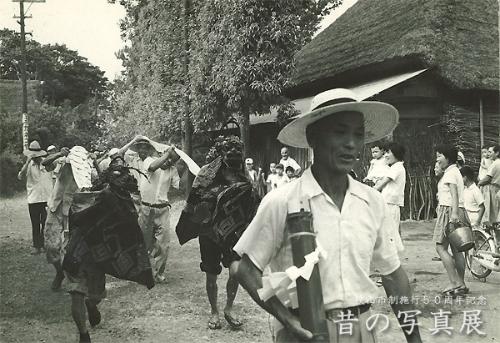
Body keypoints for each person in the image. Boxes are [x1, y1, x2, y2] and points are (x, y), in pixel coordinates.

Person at [232, 88, 421, 343]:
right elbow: (246, 270)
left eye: (358, 134)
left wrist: (415, 339)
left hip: (360, 329)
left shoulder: (372, 201)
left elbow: (393, 275)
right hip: (304, 332)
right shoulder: (282, 201)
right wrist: (287, 320)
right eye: (339, 132)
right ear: (313, 137)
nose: (351, 144)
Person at [63, 157, 154, 343]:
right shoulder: (91, 196)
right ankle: (83, 334)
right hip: (79, 250)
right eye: (118, 174)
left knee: (95, 295)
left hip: (98, 256)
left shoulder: (125, 200)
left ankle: (91, 304)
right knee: (76, 292)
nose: (122, 178)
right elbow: (76, 217)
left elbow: (131, 225)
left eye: (124, 174)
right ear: (108, 176)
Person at [176, 135, 260, 331]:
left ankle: (229, 309)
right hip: (209, 233)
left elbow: (253, 203)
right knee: (211, 274)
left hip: (236, 233)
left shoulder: (245, 176)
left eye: (238, 153)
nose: (234, 156)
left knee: (236, 272)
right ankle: (214, 311)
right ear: (222, 154)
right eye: (230, 152)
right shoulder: (206, 174)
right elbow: (194, 201)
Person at [42, 146, 92, 290]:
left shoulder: (86, 169)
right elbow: (45, 163)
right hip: (55, 207)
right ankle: (59, 272)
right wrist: (59, 154)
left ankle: (72, 280)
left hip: (72, 210)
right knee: (51, 246)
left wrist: (93, 162)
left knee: (70, 249)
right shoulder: (63, 162)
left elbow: (99, 182)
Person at [139, 146, 181, 283]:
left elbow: (180, 186)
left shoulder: (172, 170)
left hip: (163, 209)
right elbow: (152, 167)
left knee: (163, 245)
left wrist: (187, 170)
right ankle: (142, 272)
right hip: (146, 208)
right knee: (145, 243)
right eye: (168, 159)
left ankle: (157, 274)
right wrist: (168, 153)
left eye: (173, 161)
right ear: (163, 154)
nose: (169, 162)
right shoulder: (149, 161)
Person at [433, 144, 470, 297]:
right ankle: (461, 284)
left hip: (450, 211)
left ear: (447, 157)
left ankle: (453, 283)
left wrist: (453, 214)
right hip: (458, 210)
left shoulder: (449, 174)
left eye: (439, 156)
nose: (437, 159)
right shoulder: (455, 172)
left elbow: (454, 195)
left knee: (440, 247)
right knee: (457, 250)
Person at [17, 140, 53, 255]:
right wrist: (27, 162)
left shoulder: (46, 163)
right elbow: (20, 176)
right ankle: (36, 246)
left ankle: (42, 244)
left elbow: (53, 169)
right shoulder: (28, 165)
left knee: (46, 222)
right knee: (35, 223)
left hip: (47, 198)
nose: (35, 158)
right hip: (33, 199)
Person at [373, 142, 406, 253]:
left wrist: (370, 192)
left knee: (389, 235)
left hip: (390, 205)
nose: (386, 155)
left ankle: (391, 264)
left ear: (396, 154)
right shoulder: (395, 167)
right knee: (388, 233)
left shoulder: (396, 168)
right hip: (388, 203)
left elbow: (382, 183)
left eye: (388, 152)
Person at [478, 144, 500, 224]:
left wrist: (479, 183)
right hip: (497, 189)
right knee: (495, 212)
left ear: (497, 153)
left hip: (491, 190)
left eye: (490, 152)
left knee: (488, 213)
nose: (488, 154)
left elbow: (487, 178)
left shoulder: (495, 164)